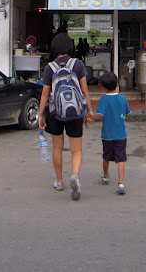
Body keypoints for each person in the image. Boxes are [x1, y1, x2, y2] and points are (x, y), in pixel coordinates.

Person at [38, 32, 92, 200]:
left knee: (57, 148)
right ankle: (74, 176)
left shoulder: (50, 68)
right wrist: (89, 111)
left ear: (54, 48)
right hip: (75, 112)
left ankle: (59, 181)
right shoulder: (78, 65)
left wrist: (40, 114)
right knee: (76, 149)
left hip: (55, 112)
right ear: (70, 47)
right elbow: (84, 91)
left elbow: (45, 94)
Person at [86, 71, 131, 194]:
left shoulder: (104, 99)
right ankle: (121, 183)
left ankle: (105, 175)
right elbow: (127, 112)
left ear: (103, 86)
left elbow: (100, 114)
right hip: (121, 134)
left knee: (106, 157)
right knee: (121, 159)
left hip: (107, 135)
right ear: (117, 84)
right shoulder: (122, 98)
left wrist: (90, 117)